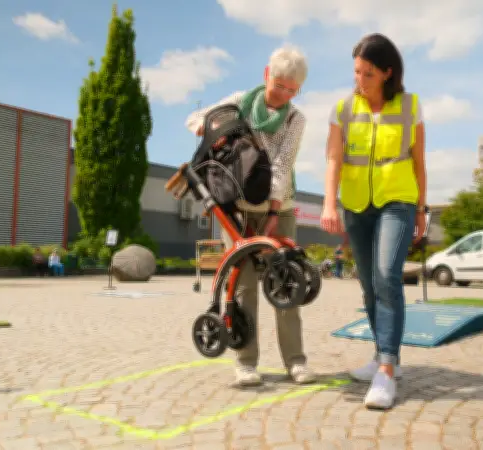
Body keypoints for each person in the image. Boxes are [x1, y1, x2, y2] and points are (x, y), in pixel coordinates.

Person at [183, 45, 316, 387]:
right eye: (280, 85)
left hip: (278, 207)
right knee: (242, 286)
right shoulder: (241, 101)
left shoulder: (295, 119)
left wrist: (272, 213)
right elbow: (196, 118)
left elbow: (283, 166)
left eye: (292, 89)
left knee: (285, 284)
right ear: (266, 75)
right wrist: (207, 129)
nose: (283, 94)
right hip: (238, 209)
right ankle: (245, 362)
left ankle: (296, 361)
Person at [320, 33, 428, 410]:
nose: (359, 81)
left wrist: (421, 208)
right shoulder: (342, 108)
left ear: (387, 73)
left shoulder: (410, 106)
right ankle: (386, 353)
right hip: (355, 204)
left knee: (386, 275)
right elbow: (333, 159)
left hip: (397, 200)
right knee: (367, 284)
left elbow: (419, 162)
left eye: (367, 74)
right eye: (355, 73)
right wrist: (329, 205)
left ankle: (386, 370)